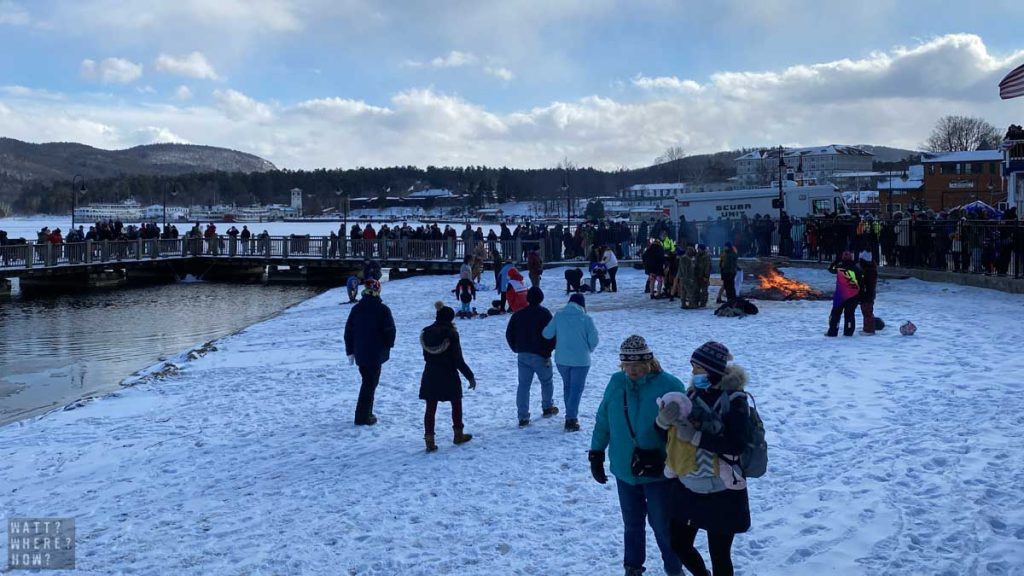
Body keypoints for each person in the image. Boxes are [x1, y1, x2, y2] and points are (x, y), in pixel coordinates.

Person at [590, 335, 685, 576]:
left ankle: (674, 569)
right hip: (625, 469)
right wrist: (596, 452)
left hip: (659, 471)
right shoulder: (616, 383)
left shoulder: (669, 385)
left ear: (649, 362)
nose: (632, 370)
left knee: (663, 526)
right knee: (632, 525)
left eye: (637, 365)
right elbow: (603, 419)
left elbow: (685, 428)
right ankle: (632, 567)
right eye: (627, 365)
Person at [659, 341, 751, 576]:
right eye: (693, 367)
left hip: (722, 490)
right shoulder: (690, 395)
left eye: (697, 368)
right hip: (689, 486)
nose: (693, 373)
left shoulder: (735, 400)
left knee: (720, 554)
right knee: (679, 542)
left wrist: (697, 437)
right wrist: (662, 421)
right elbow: (670, 437)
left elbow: (737, 444)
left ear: (712, 370)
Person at [419, 302, 476, 452]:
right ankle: (458, 434)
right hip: (449, 373)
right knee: (456, 403)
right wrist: (470, 376)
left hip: (430, 373)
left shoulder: (426, 333)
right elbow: (458, 359)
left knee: (430, 407)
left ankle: (429, 440)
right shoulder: (451, 334)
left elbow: (425, 356)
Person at [542, 293, 599, 432]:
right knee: (576, 389)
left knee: (568, 387)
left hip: (562, 359)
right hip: (581, 360)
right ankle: (571, 418)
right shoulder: (586, 319)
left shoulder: (559, 316)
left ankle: (570, 414)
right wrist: (588, 349)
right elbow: (594, 340)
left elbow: (546, 334)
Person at [343, 279, 396, 425]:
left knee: (368, 381)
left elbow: (348, 331)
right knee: (370, 383)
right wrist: (388, 345)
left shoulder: (356, 309)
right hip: (376, 352)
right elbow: (390, 331)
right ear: (377, 291)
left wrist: (350, 351)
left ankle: (367, 412)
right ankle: (362, 417)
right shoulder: (383, 309)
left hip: (360, 351)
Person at [505, 286, 557, 427]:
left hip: (523, 354)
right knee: (546, 382)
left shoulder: (518, 314)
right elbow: (552, 334)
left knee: (523, 385)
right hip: (541, 355)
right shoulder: (545, 314)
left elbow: (509, 333)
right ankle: (547, 407)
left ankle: (523, 416)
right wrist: (549, 350)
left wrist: (516, 348)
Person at [826, 251, 862, 337]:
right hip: (852, 295)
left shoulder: (839, 267)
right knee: (849, 315)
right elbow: (860, 280)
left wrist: (835, 261)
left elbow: (830, 269)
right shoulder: (856, 268)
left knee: (835, 314)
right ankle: (848, 332)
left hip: (841, 294)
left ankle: (833, 331)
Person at [858, 250, 878, 334]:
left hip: (867, 294)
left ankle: (869, 329)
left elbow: (864, 284)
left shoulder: (867, 271)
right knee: (867, 312)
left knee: (867, 312)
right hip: (869, 294)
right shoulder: (871, 269)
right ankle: (867, 328)